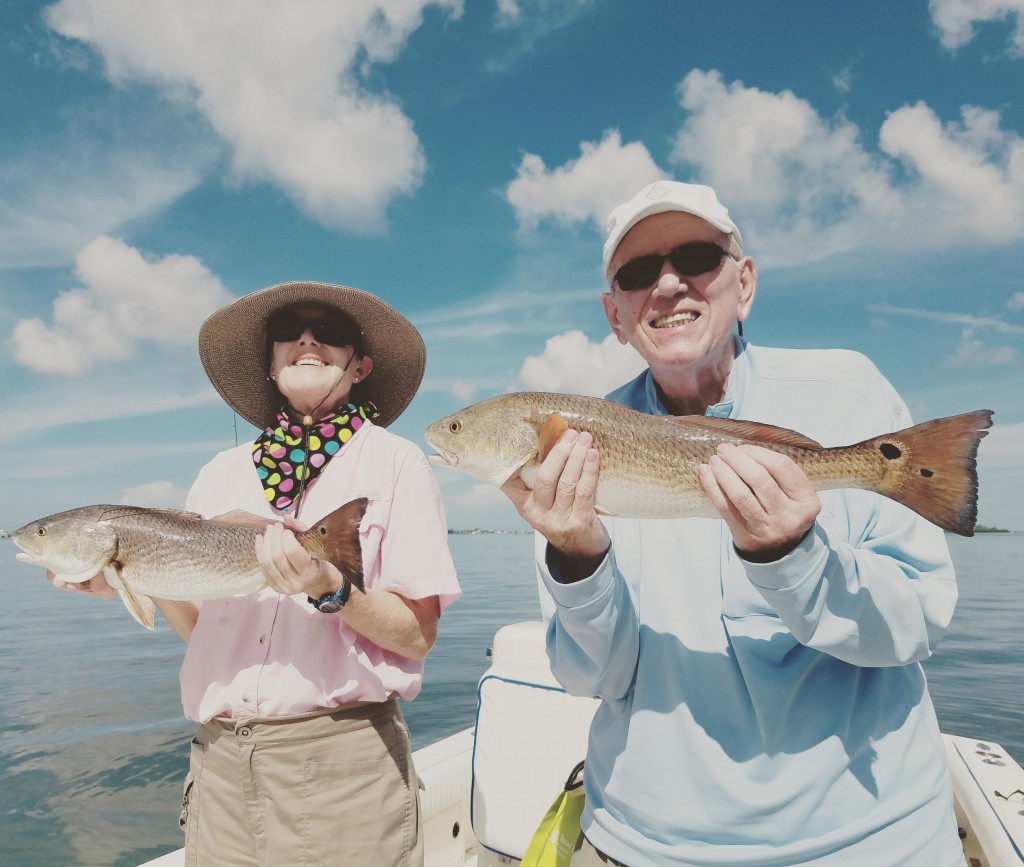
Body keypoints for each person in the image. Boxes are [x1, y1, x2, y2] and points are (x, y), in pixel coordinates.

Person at [500, 181, 964, 866]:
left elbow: (920, 619)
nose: (666, 284)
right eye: (635, 273)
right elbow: (589, 675)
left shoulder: (850, 391)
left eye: (695, 256)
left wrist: (794, 555)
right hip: (641, 842)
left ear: (743, 283)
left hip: (870, 843)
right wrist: (577, 554)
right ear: (615, 314)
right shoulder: (573, 449)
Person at [52, 280, 461, 866]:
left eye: (332, 333)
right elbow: (206, 636)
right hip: (217, 769)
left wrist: (330, 587)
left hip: (344, 769)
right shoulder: (219, 473)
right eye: (287, 332)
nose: (308, 340)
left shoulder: (396, 463)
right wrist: (134, 574)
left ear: (361, 364)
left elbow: (417, 635)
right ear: (270, 363)